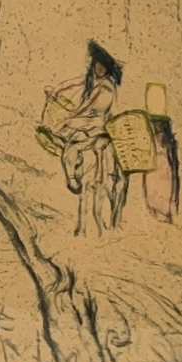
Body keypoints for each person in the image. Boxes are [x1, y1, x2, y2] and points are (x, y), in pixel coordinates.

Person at [35, 41, 128, 235]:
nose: (99, 69)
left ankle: (77, 177)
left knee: (73, 139)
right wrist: (56, 91)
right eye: (97, 66)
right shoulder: (90, 80)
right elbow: (72, 83)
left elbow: (89, 106)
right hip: (85, 122)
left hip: (97, 126)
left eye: (102, 67)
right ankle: (73, 177)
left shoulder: (107, 87)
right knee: (68, 142)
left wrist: (72, 117)